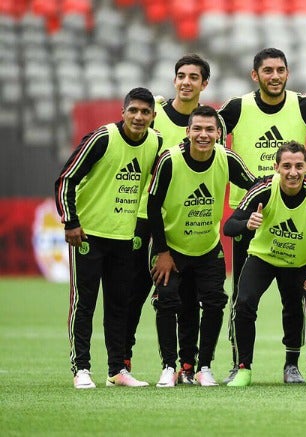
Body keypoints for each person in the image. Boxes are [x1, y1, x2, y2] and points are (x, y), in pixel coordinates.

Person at [218, 47, 306, 384]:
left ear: (287, 73)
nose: (274, 76)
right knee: (243, 298)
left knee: (293, 299)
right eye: (268, 70)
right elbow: (204, 136)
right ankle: (239, 364)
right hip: (251, 212)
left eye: (280, 70)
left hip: (295, 209)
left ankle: (293, 365)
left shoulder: (303, 106)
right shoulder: (236, 107)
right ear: (254, 75)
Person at [55, 87, 160, 388]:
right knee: (84, 303)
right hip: (88, 235)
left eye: (145, 112)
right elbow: (66, 179)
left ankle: (117, 370)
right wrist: (71, 222)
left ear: (153, 116)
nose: (139, 117)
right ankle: (81, 369)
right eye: (133, 111)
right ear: (123, 112)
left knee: (119, 305)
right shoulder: (103, 138)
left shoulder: (155, 142)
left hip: (124, 237)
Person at [222, 141, 306, 387]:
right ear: (276, 167)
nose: (293, 172)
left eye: (299, 166)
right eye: (287, 166)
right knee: (243, 302)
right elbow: (229, 226)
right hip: (264, 257)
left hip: (304, 259)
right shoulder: (263, 189)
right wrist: (247, 224)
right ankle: (244, 368)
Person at [147, 105, 255, 387]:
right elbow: (153, 206)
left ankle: (202, 367)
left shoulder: (226, 158)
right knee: (168, 301)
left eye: (210, 130)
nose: (203, 135)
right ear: (188, 131)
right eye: (198, 129)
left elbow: (257, 186)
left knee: (214, 302)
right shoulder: (169, 161)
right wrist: (162, 252)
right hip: (171, 248)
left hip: (208, 247)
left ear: (219, 133)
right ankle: (170, 366)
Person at [125, 54, 213, 384]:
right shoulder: (155, 115)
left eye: (194, 77)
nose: (186, 81)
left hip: (186, 221)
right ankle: (123, 359)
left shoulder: (210, 122)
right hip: (145, 216)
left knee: (187, 295)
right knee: (135, 290)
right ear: (174, 80)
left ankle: (186, 365)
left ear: (205, 84)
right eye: (181, 76)